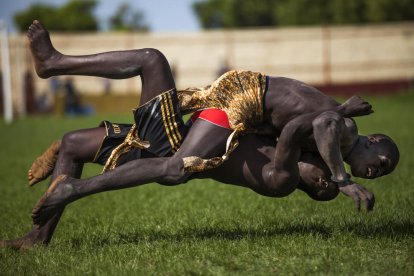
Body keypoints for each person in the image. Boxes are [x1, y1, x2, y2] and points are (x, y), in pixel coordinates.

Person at [0, 20, 395, 248]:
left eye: (321, 184)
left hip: (184, 134)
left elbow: (295, 129)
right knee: (172, 159)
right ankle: (54, 67)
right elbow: (309, 127)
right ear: (373, 141)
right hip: (217, 111)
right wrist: (341, 153)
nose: (324, 175)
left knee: (86, 139)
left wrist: (339, 172)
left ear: (311, 186)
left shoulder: (283, 175)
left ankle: (44, 227)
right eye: (381, 163)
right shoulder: (336, 133)